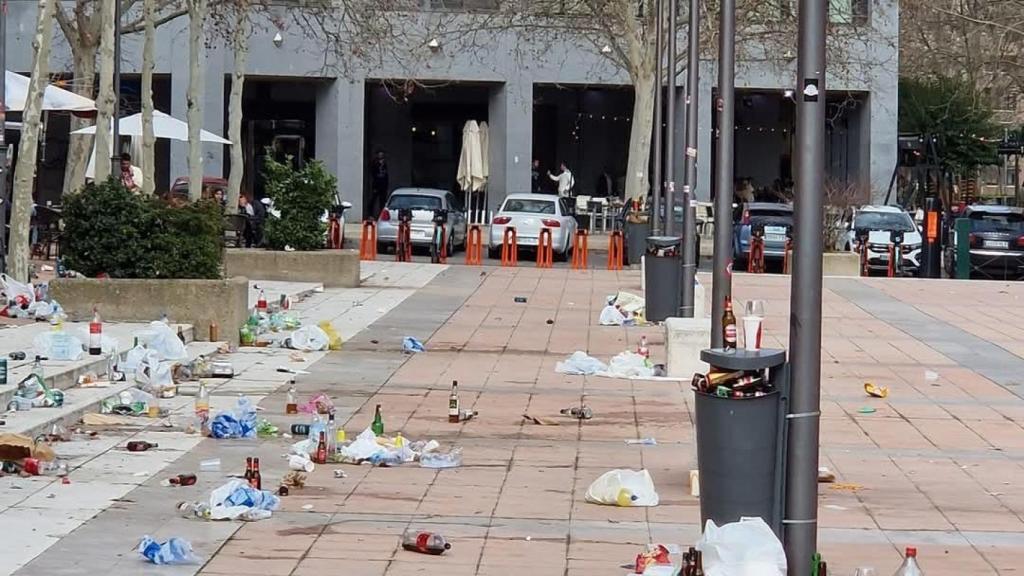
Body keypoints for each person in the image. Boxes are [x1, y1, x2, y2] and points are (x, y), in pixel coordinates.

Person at [369, 150, 389, 218]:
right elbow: (373, 173)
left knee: (382, 201)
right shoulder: (375, 163)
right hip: (376, 185)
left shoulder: (384, 163)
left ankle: (381, 215)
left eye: (382, 155)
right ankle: (370, 215)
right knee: (373, 200)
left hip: (383, 185)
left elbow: (386, 174)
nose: (381, 156)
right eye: (379, 155)